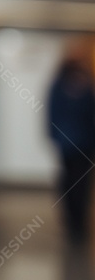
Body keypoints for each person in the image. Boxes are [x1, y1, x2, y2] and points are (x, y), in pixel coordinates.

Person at [47, 41, 95, 245]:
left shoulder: (86, 81)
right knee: (70, 181)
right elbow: (52, 111)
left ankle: (78, 222)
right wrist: (53, 135)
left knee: (80, 183)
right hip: (69, 142)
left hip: (83, 142)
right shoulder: (60, 82)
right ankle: (72, 220)